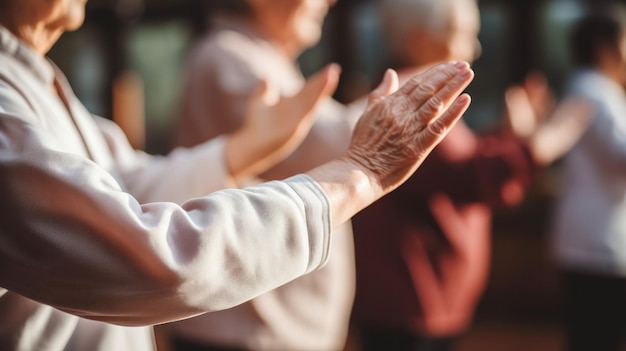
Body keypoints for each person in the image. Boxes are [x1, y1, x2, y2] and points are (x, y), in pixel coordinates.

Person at [0, 0, 476, 350]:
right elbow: (142, 253)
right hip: (247, 332)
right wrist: (360, 171)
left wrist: (239, 150)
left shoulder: (31, 77)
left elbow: (126, 189)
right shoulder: (227, 55)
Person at [349, 0, 591, 350]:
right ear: (419, 39)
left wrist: (509, 138)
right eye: (464, 35)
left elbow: (457, 162)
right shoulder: (408, 97)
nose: (474, 48)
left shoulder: (419, 93)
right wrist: (541, 145)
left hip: (425, 298)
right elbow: (468, 176)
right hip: (411, 300)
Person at [161, 1, 367, 350]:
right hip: (244, 332)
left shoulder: (258, 53)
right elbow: (325, 147)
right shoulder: (228, 55)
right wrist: (412, 80)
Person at [549, 4, 626, 351]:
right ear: (603, 46)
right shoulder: (595, 91)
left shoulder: (595, 89)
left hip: (593, 240)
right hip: (597, 245)